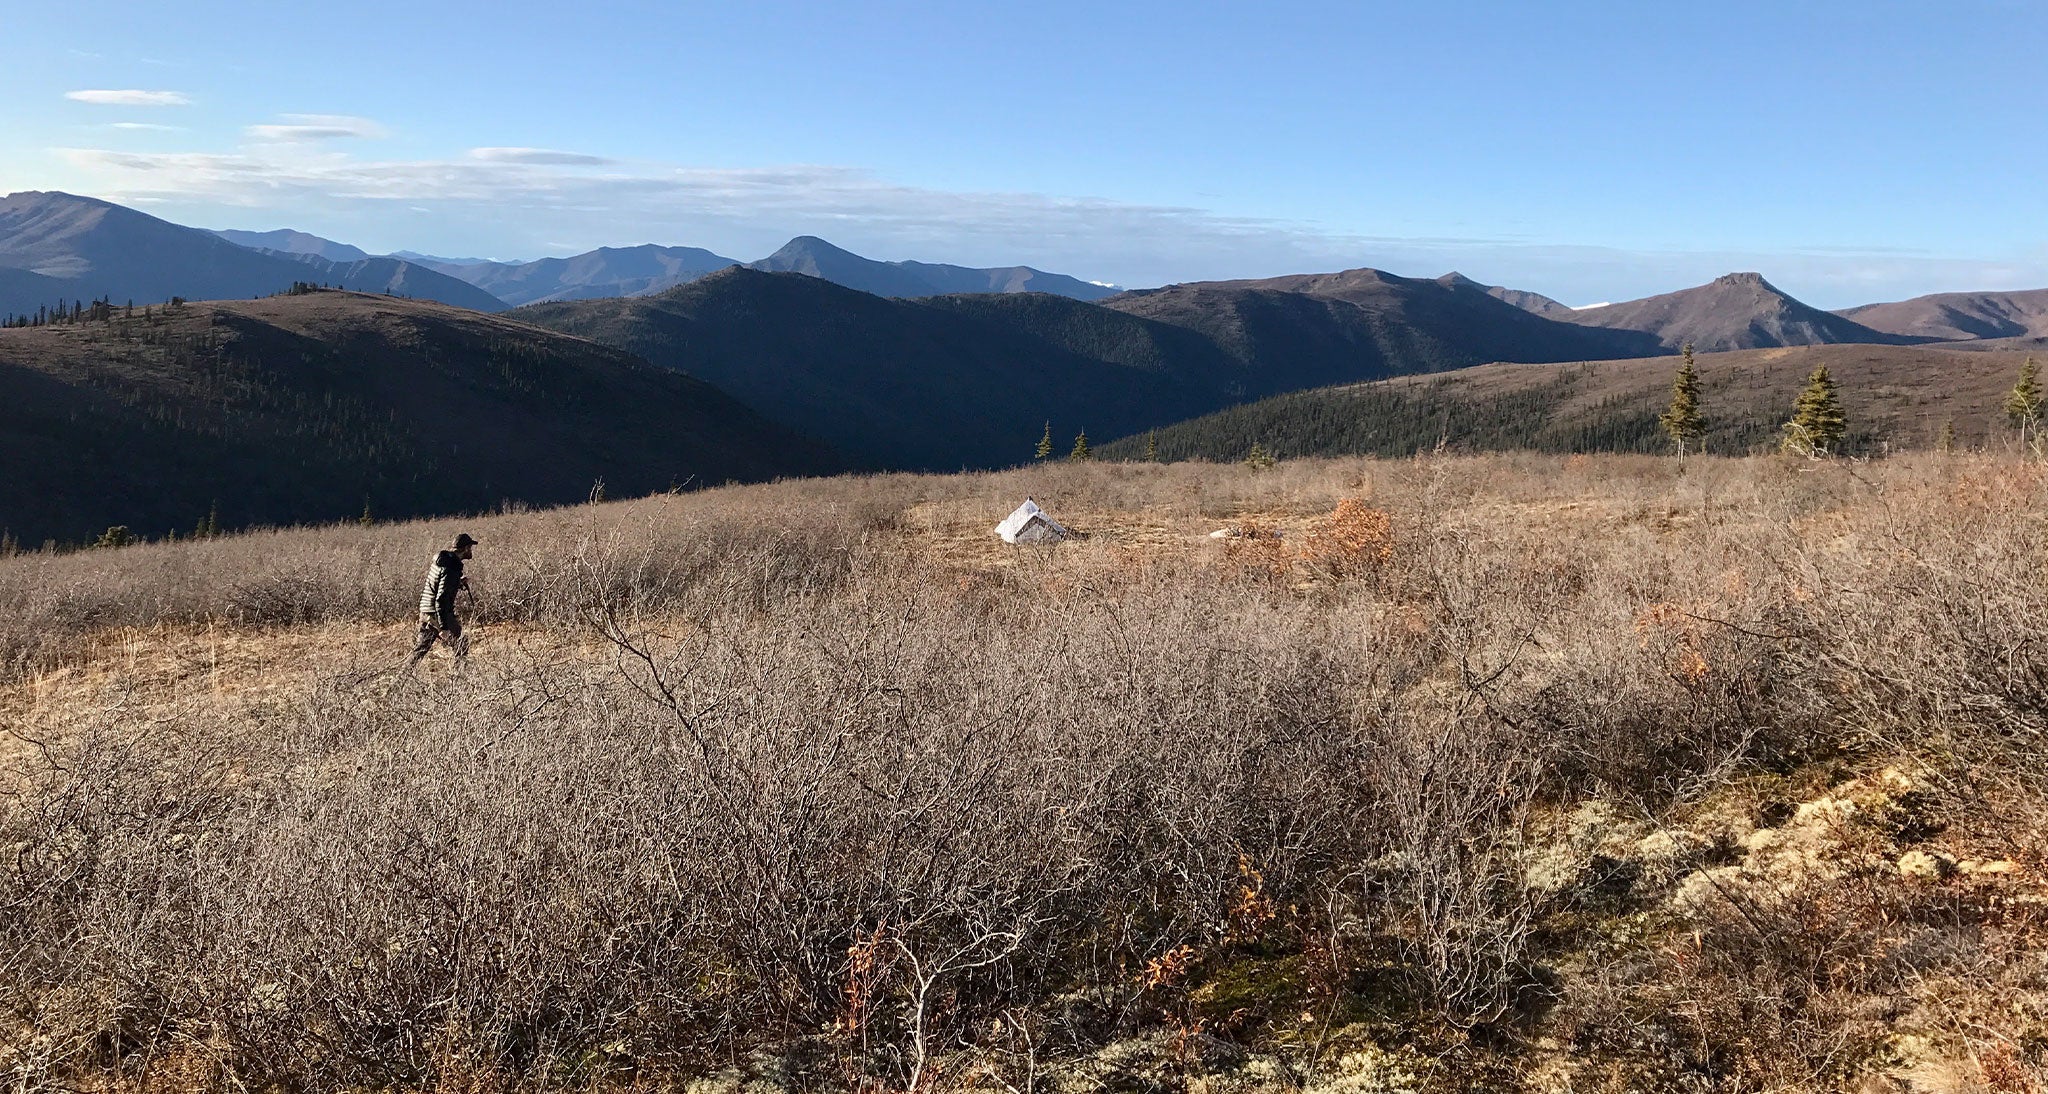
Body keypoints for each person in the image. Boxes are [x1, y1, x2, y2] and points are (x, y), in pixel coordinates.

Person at [408, 532, 476, 667]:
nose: (471, 551)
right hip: (438, 612)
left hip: (426, 610)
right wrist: (444, 627)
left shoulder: (443, 562)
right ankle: (459, 680)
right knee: (461, 645)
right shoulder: (451, 568)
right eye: (470, 548)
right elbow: (441, 598)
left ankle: (397, 684)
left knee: (418, 653)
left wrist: (458, 582)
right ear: (465, 549)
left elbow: (438, 586)